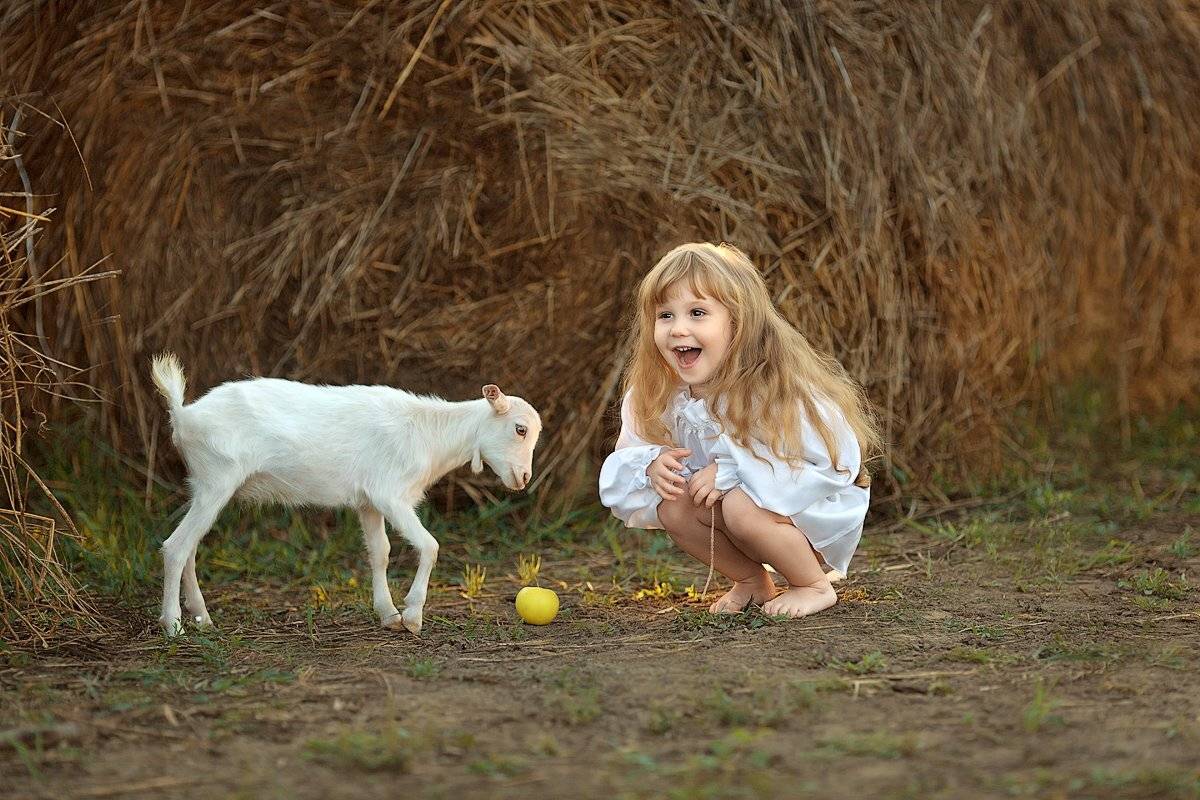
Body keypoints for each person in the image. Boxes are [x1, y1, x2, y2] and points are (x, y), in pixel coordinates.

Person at [598, 242, 881, 617]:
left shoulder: (771, 389)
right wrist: (652, 465)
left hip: (802, 519)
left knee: (739, 503)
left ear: (738, 321)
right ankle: (751, 582)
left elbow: (825, 462)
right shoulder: (657, 395)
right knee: (674, 503)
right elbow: (630, 456)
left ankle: (812, 584)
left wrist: (733, 469)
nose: (678, 328)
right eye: (665, 315)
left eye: (697, 312)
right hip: (739, 519)